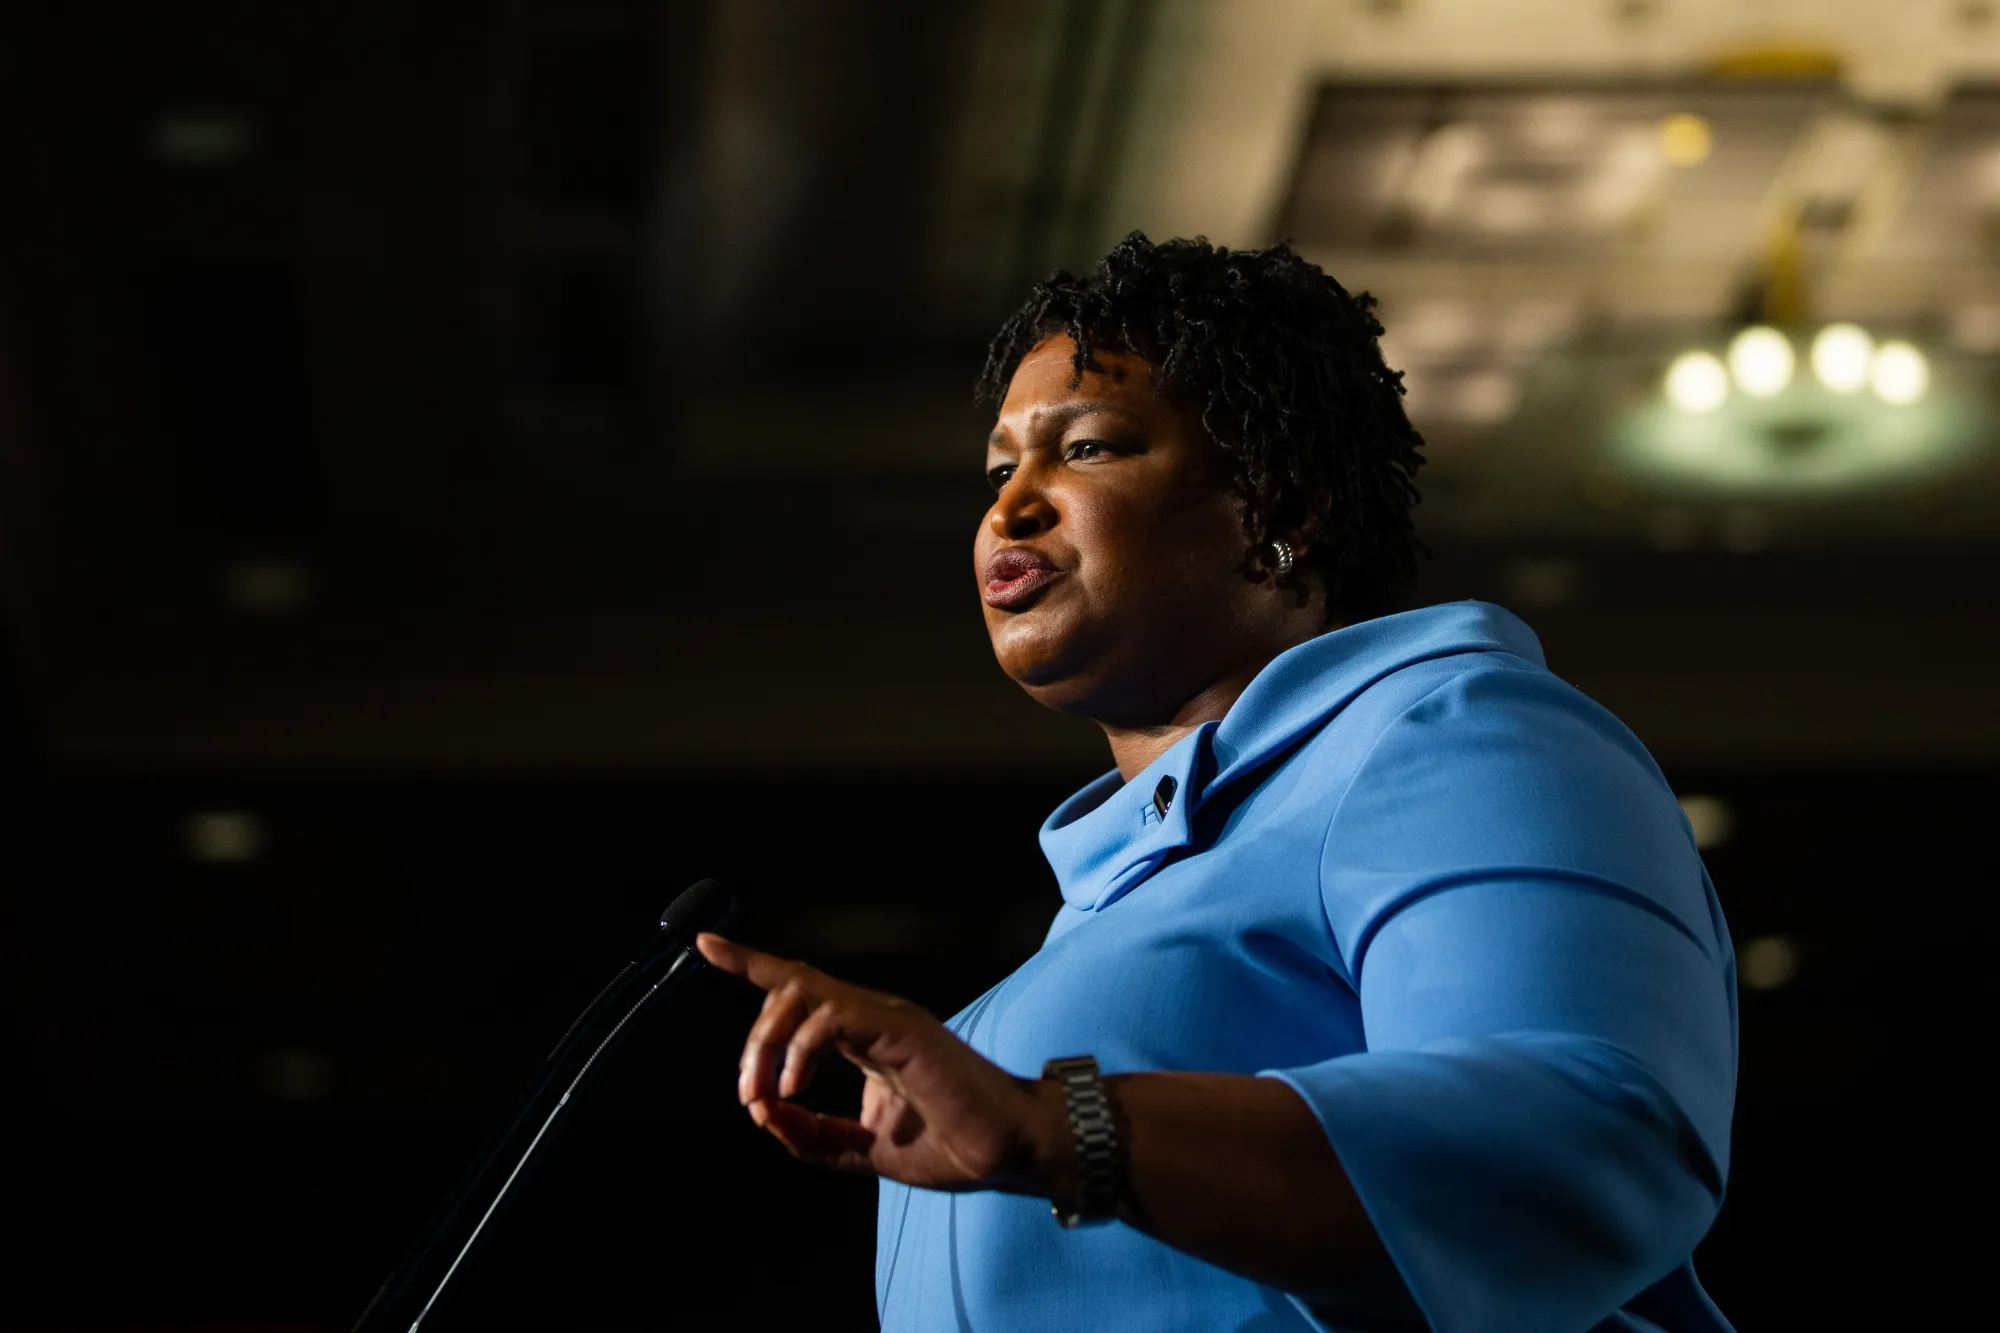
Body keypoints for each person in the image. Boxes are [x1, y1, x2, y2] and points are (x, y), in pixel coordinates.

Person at [696, 234, 1737, 1333]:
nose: (1012, 508)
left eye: (1087, 448)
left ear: (1281, 509)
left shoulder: (1449, 734)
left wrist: (1068, 1129)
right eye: (1001, 470)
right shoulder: (1096, 916)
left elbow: (1592, 1136)